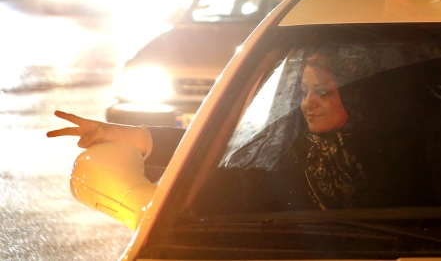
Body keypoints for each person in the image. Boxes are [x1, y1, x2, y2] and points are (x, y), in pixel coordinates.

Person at [49, 49, 370, 212]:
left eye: (323, 92)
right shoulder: (282, 144)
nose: (308, 104)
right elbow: (206, 147)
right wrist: (116, 133)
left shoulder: (388, 147)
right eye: (302, 93)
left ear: (352, 95)